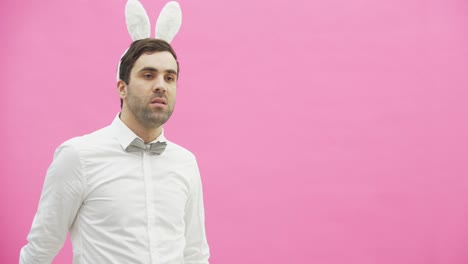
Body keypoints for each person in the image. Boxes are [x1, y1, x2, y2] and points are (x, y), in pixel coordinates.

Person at [19, 38, 210, 264]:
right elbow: (39, 252)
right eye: (148, 75)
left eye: (169, 77)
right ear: (122, 88)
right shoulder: (78, 156)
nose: (161, 85)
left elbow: (195, 255)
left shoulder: (185, 162)